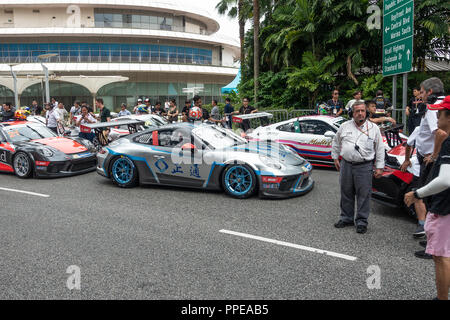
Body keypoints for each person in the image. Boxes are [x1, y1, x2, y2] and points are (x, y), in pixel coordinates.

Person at [404, 96, 450, 300]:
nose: (437, 116)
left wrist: (417, 193)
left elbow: (445, 180)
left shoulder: (449, 142)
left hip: (444, 206)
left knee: (441, 256)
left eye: (440, 113)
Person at [400, 77, 447, 258]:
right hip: (435, 158)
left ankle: (433, 247)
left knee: (431, 200)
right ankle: (432, 240)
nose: (419, 95)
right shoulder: (443, 104)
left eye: (421, 91)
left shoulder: (434, 108)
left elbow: (440, 133)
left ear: (428, 92)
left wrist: (434, 155)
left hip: (435, 160)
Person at [331, 101, 385, 234]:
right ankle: (346, 218)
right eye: (357, 111)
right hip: (346, 165)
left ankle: (361, 221)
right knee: (346, 192)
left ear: (366, 112)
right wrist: (335, 157)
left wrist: (379, 167)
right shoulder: (344, 126)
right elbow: (336, 142)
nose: (360, 113)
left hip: (364, 166)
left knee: (364, 195)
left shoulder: (373, 128)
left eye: (362, 111)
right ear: (352, 113)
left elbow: (379, 148)